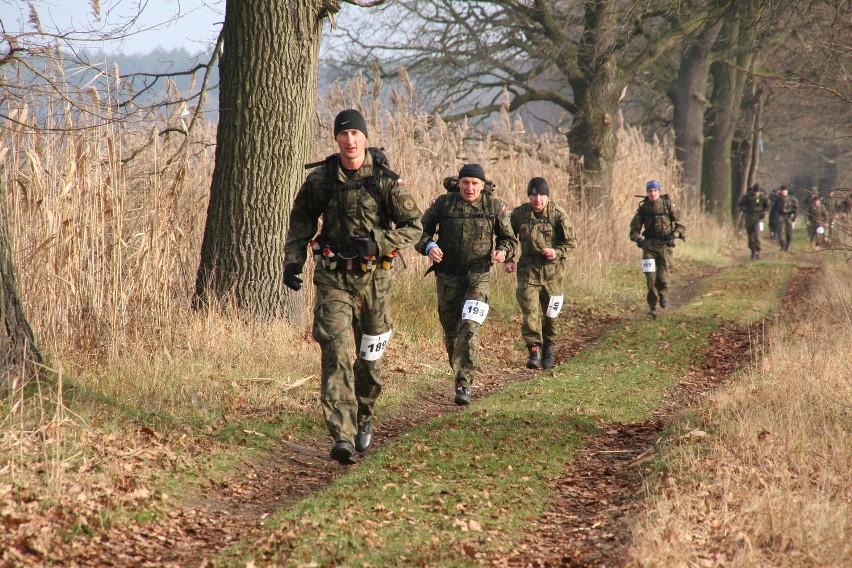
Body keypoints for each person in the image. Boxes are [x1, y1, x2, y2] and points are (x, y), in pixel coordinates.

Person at [283, 109, 423, 465]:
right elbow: (301, 220)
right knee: (335, 350)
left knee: (369, 359)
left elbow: (414, 226)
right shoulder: (321, 180)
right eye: (343, 135)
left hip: (375, 281)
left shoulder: (384, 180)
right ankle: (342, 434)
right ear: (336, 140)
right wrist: (293, 261)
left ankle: (364, 414)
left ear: (364, 137)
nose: (349, 140)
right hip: (333, 278)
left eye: (355, 134)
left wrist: (380, 242)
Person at [415, 163, 517, 405]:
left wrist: (503, 251)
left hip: (478, 276)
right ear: (458, 183)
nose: (470, 187)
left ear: (483, 186)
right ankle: (460, 372)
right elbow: (418, 232)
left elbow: (509, 238)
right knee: (451, 332)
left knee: (469, 327)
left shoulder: (493, 207)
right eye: (465, 183)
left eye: (475, 184)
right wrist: (429, 247)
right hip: (448, 276)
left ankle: (464, 383)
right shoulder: (443, 204)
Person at [504, 177, 577, 369]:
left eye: (542, 195)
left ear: (547, 196)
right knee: (530, 312)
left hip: (553, 274)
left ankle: (549, 345)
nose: (538, 199)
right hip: (528, 272)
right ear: (529, 196)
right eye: (534, 195)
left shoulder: (558, 215)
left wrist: (556, 252)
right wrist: (509, 259)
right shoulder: (519, 214)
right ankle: (534, 350)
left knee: (551, 315)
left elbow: (571, 243)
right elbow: (508, 238)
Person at [629, 180, 686, 319]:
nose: (652, 193)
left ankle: (663, 294)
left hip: (665, 246)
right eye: (650, 191)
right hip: (648, 246)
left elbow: (681, 225)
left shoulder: (668, 206)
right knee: (650, 278)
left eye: (655, 191)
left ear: (659, 192)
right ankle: (652, 306)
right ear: (647, 193)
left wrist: (675, 235)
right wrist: (638, 239)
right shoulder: (643, 209)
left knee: (662, 279)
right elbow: (634, 230)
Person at [737, 183, 769, 259]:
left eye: (757, 192)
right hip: (749, 217)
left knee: (756, 234)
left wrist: (764, 212)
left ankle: (757, 250)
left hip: (758, 218)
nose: (756, 193)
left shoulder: (762, 196)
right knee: (750, 235)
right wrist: (744, 210)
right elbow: (740, 205)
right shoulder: (747, 196)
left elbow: (767, 206)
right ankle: (752, 250)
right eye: (755, 192)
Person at [769, 185, 798, 252]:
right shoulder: (777, 199)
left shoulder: (792, 199)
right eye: (782, 191)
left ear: (787, 191)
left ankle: (788, 245)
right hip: (780, 215)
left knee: (789, 231)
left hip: (788, 215)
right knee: (780, 231)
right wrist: (771, 218)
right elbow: (773, 209)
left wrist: (795, 216)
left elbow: (796, 208)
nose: (783, 192)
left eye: (785, 191)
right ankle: (783, 245)